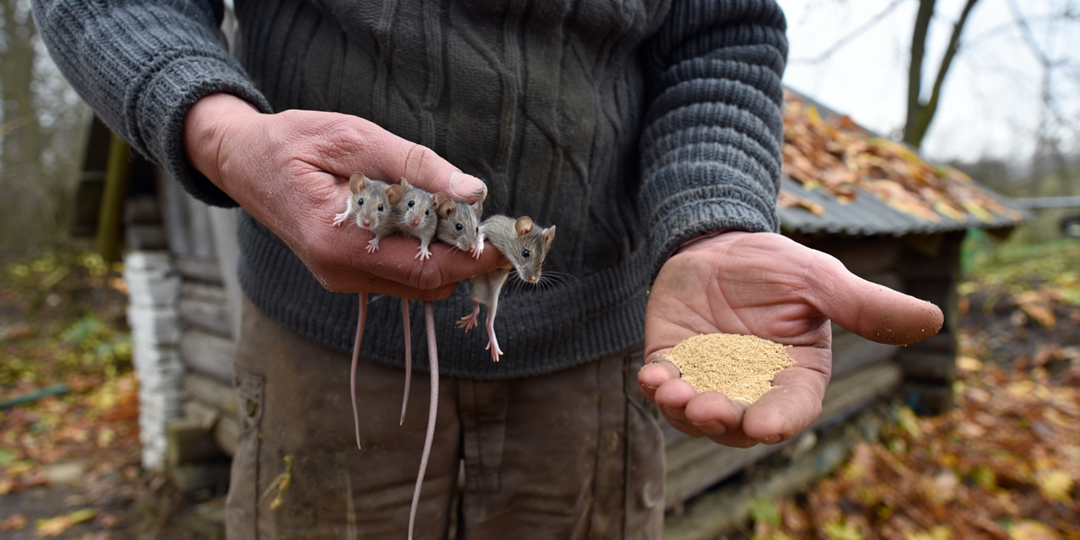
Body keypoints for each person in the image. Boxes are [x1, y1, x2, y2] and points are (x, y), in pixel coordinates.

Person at [33, 0, 943, 538]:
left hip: (597, 354)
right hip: (321, 353)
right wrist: (224, 135)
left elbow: (723, 34)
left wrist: (712, 221)